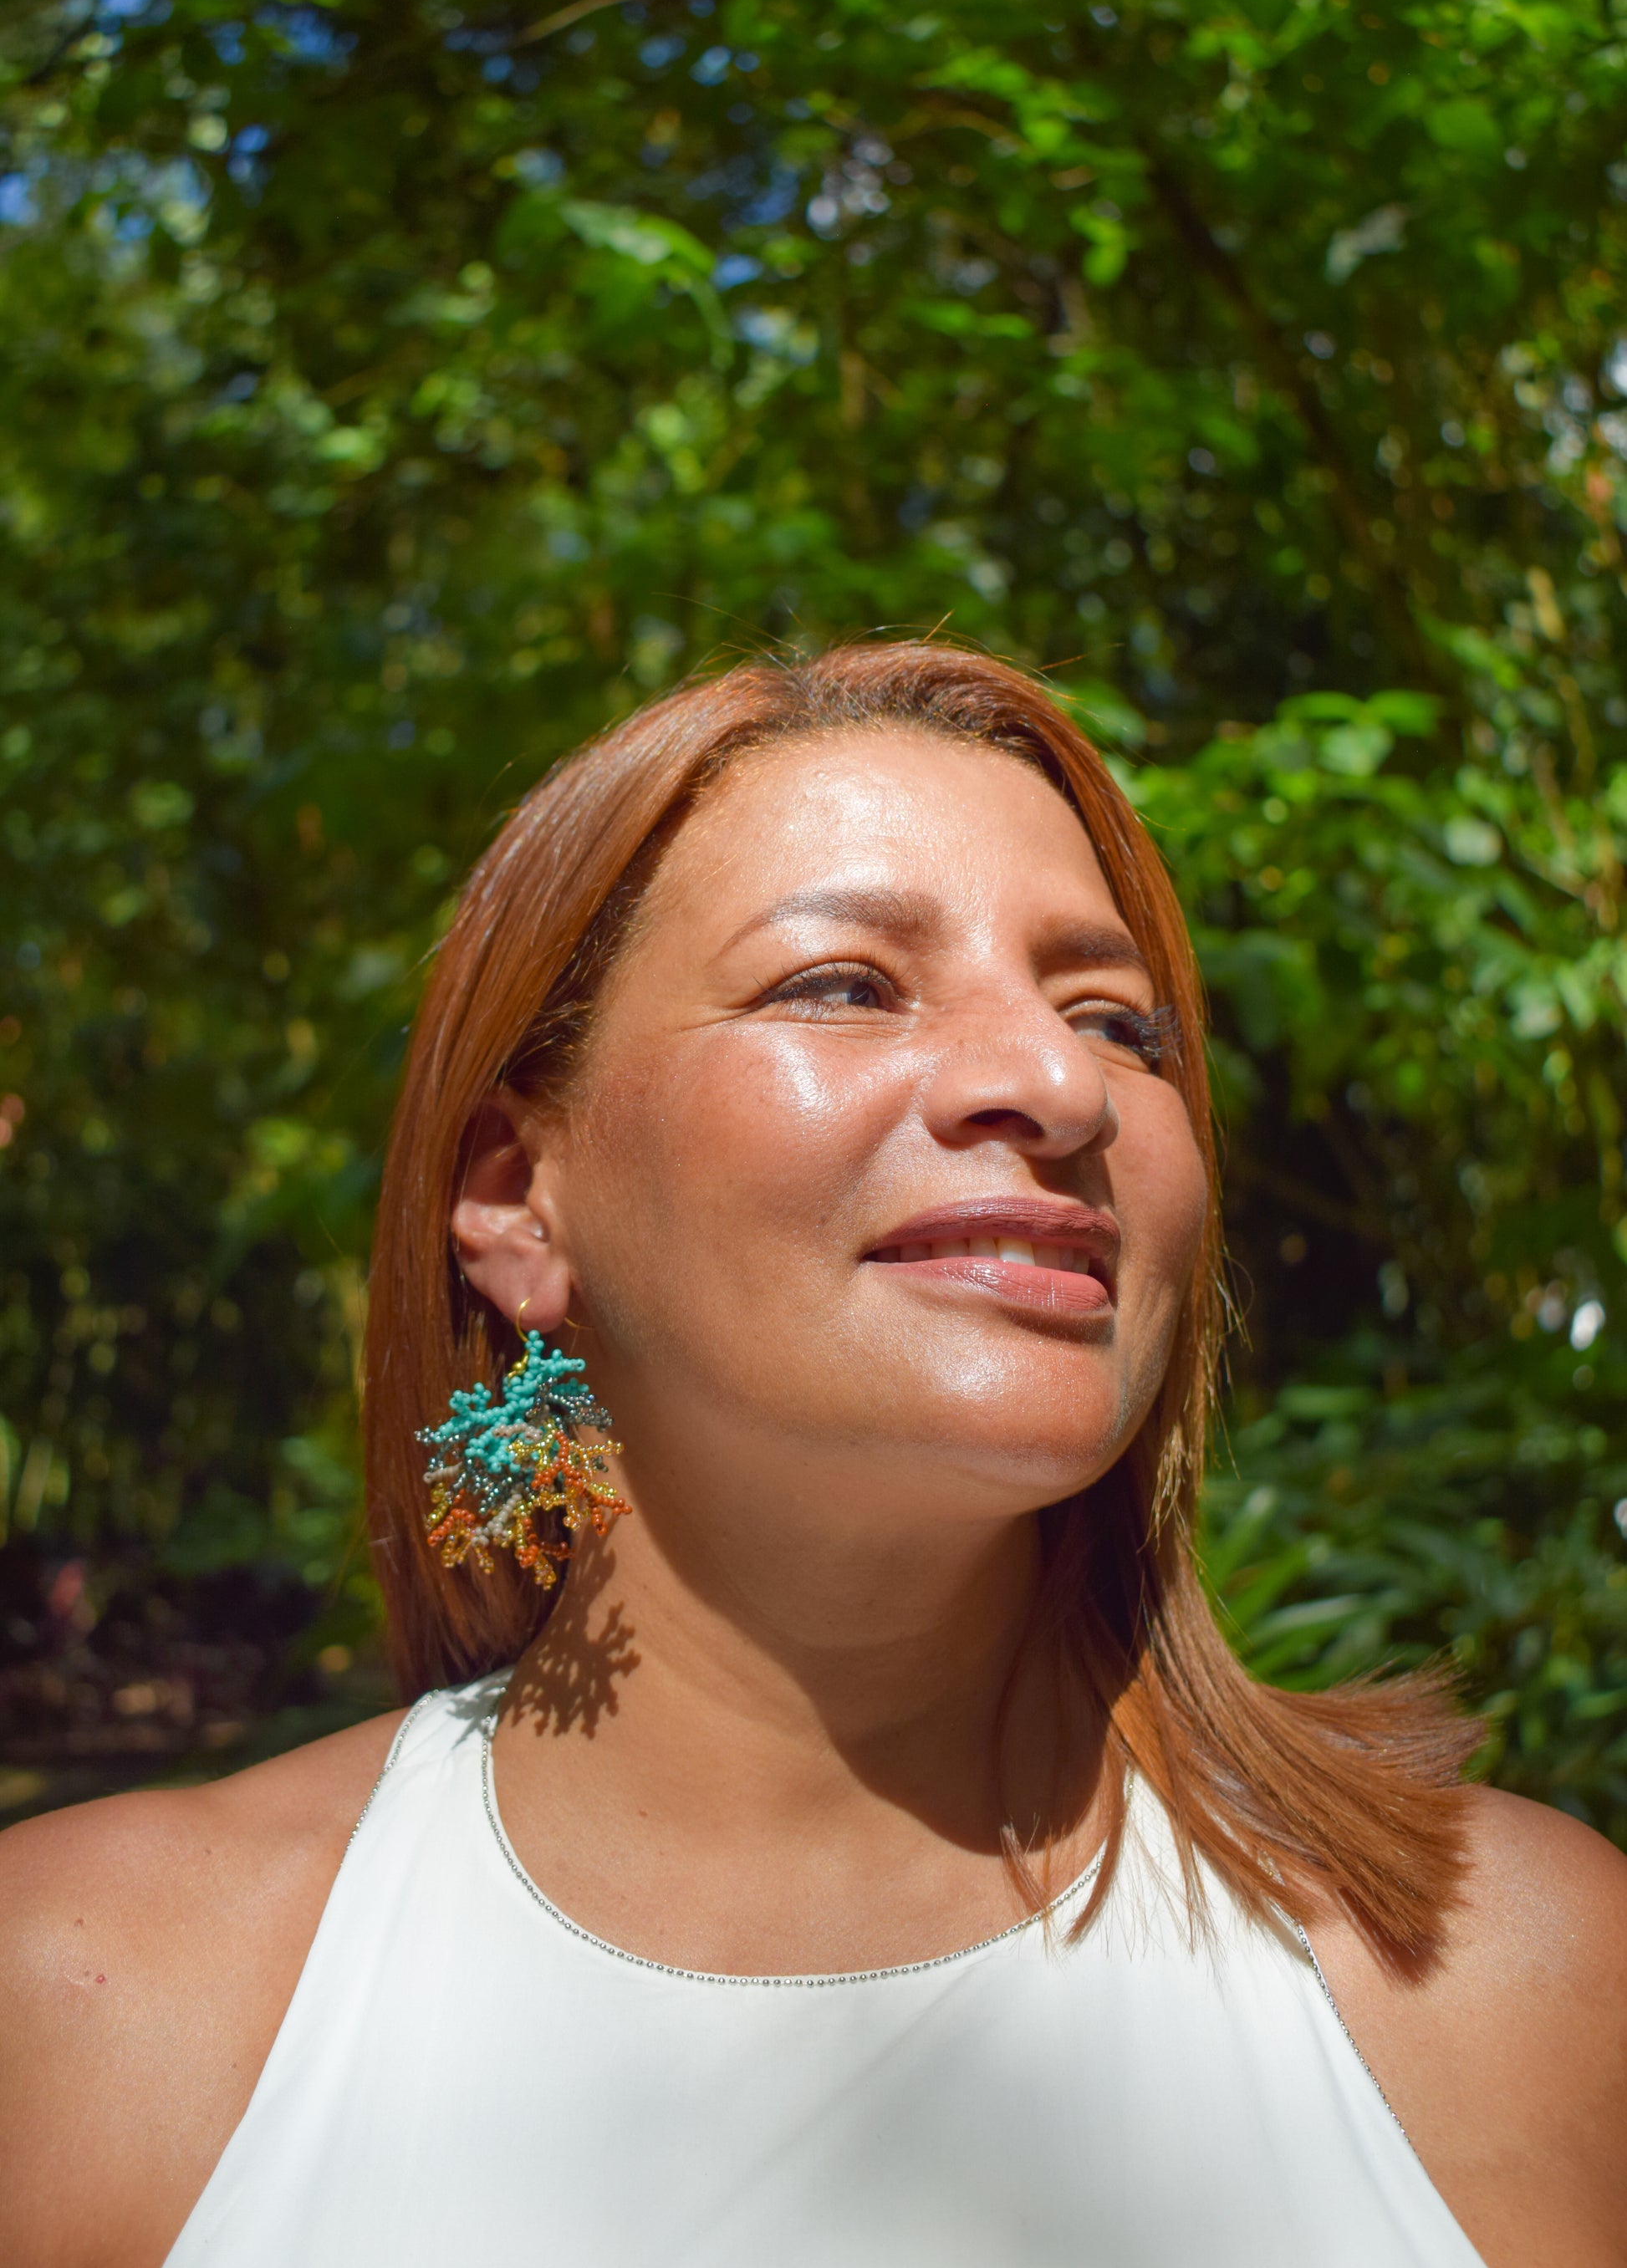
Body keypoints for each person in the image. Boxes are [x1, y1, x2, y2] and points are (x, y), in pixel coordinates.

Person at [2, 642, 1624, 2268]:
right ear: (515, 1198)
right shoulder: (87, 2007)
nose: (1058, 1083)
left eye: (1117, 1022)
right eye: (842, 985)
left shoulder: (1510, 1982)